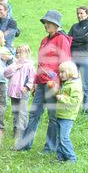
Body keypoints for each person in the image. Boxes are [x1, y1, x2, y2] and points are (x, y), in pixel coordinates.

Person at [15, 10, 72, 152]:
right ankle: (24, 144)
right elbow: (40, 64)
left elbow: (65, 63)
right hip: (40, 83)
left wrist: (57, 80)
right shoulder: (44, 40)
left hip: (53, 84)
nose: (45, 25)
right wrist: (34, 82)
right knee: (34, 113)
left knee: (52, 117)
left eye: (48, 22)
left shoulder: (62, 39)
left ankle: (50, 148)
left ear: (55, 24)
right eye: (45, 22)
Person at [4, 44, 36, 140]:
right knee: (15, 112)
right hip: (13, 93)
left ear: (27, 53)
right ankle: (16, 130)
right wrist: (15, 67)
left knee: (22, 112)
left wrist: (27, 87)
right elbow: (6, 73)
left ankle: (21, 132)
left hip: (22, 93)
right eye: (16, 52)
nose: (18, 54)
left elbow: (32, 78)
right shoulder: (14, 64)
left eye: (20, 52)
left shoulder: (29, 65)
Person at [68, 6, 88, 112]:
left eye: (81, 13)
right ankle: (71, 107)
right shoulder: (74, 26)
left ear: (87, 14)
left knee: (86, 84)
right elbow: (68, 40)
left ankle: (86, 110)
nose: (79, 15)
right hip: (73, 58)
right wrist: (80, 40)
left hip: (85, 57)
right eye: (78, 13)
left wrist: (75, 40)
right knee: (71, 82)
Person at [56, 61, 83, 162]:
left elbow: (76, 101)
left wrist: (61, 98)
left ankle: (72, 158)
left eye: (62, 72)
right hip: (61, 114)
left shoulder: (75, 85)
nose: (60, 74)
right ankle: (61, 157)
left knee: (64, 138)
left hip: (68, 116)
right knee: (59, 138)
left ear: (70, 72)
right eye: (60, 72)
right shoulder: (67, 83)